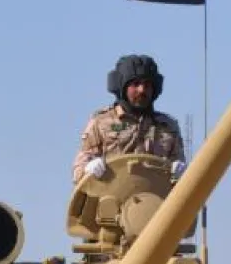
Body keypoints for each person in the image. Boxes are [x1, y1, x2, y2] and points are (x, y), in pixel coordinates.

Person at [72, 54, 186, 184]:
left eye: (147, 85)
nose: (142, 90)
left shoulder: (168, 127)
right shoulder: (101, 122)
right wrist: (88, 168)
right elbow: (78, 171)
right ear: (122, 87)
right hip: (112, 194)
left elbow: (179, 165)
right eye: (135, 84)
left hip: (155, 195)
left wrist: (180, 172)